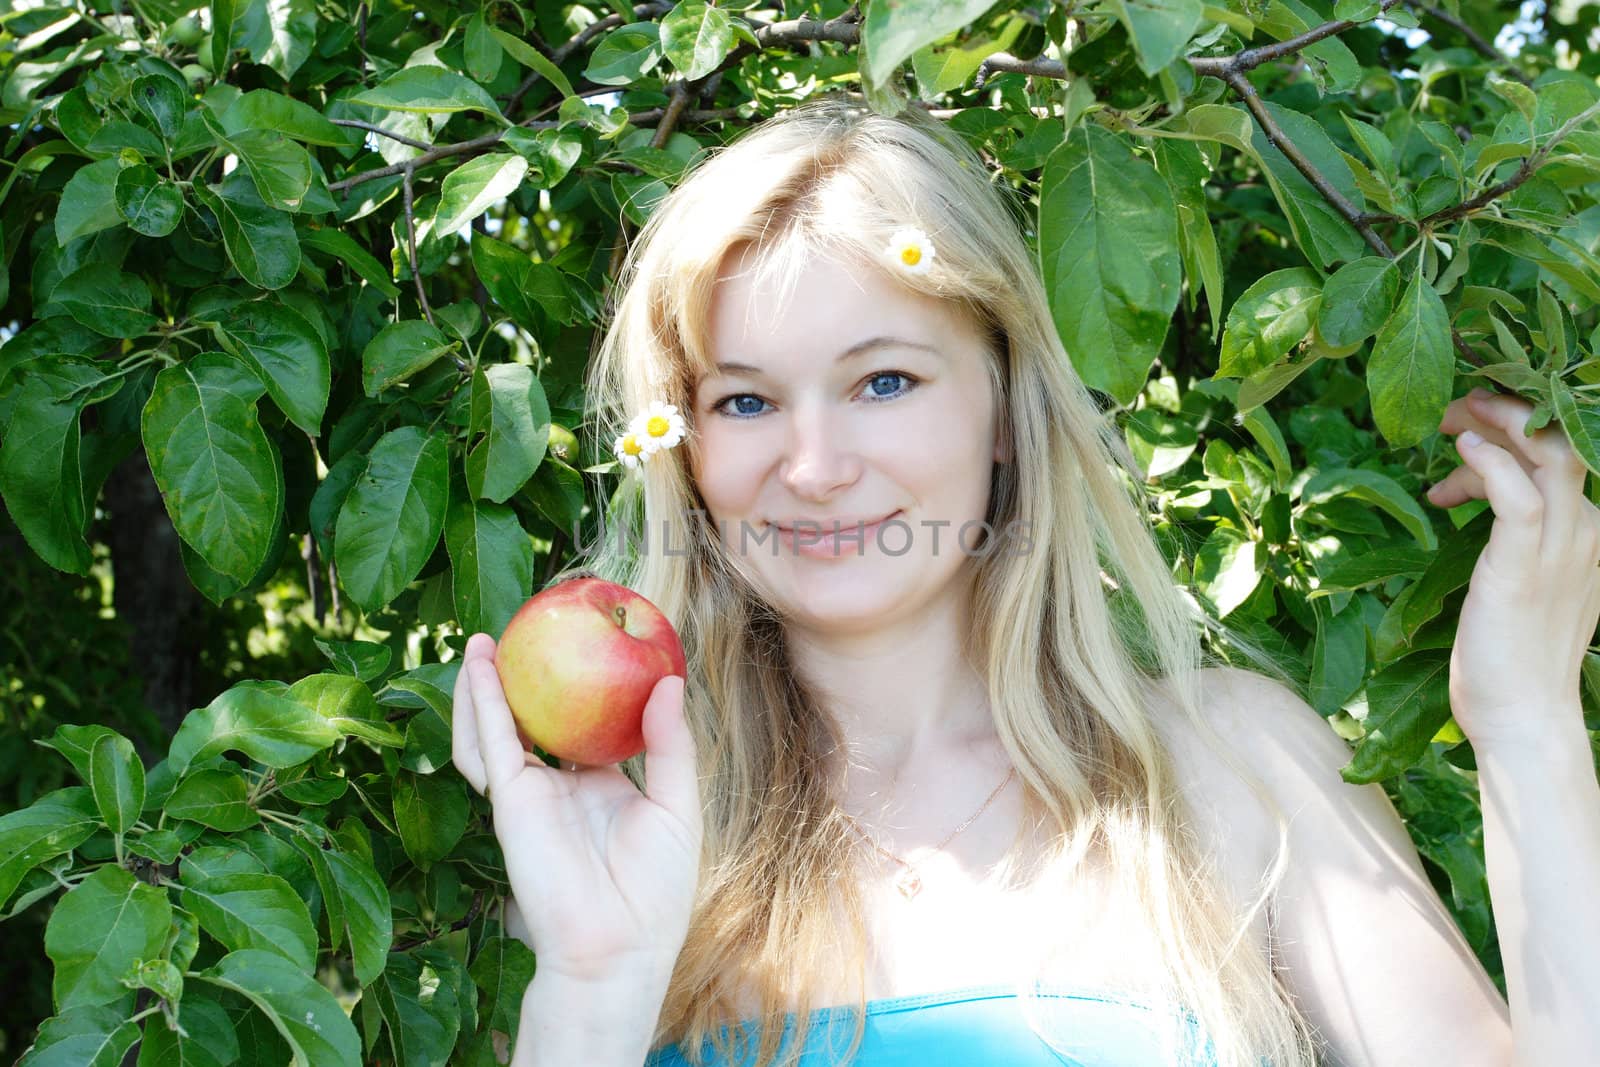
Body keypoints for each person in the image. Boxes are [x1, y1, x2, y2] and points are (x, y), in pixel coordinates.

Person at [451, 94, 1600, 1067]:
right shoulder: (635, 837)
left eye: (883, 381)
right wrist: (593, 985)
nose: (812, 467)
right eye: (744, 401)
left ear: (1004, 412)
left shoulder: (1226, 768)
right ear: (690, 453)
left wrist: (1525, 722)